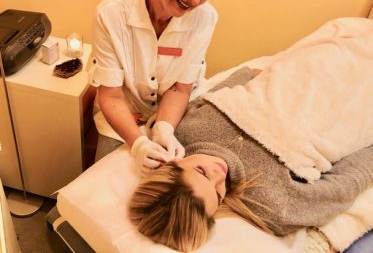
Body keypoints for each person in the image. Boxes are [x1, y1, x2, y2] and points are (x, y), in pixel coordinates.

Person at [128, 67, 373, 252]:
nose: (219, 174)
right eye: (218, 194)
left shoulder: (179, 134)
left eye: (202, 172)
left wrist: (258, 74)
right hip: (343, 106)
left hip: (297, 75)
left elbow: (219, 94)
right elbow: (347, 183)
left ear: (174, 163)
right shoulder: (276, 207)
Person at [88, 0, 231, 173]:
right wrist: (139, 143)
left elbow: (179, 89)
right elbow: (111, 95)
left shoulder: (205, 19)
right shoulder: (110, 14)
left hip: (174, 111)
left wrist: (164, 128)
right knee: (103, 181)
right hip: (122, 111)